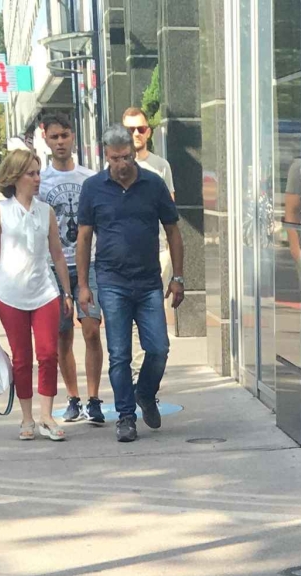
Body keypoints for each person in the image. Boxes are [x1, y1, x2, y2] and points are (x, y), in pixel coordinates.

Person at [76, 125, 184, 444]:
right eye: (114, 159)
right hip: (111, 282)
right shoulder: (93, 188)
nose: (121, 164)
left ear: (134, 153)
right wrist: (83, 285)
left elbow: (173, 230)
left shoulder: (153, 183)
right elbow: (84, 238)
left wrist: (178, 277)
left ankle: (145, 393)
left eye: (126, 157)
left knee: (159, 348)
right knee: (119, 354)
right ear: (105, 156)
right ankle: (126, 416)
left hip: (148, 281)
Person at [0, 148, 76, 442]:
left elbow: (57, 254)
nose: (37, 179)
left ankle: (46, 416)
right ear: (15, 177)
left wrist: (66, 292)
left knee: (48, 354)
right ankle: (27, 417)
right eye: (31, 174)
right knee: (22, 359)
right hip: (10, 296)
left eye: (38, 173)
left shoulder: (46, 212)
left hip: (45, 292)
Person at [38, 110, 105, 426]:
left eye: (65, 135)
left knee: (91, 329)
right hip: (55, 267)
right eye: (54, 137)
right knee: (62, 336)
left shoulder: (89, 178)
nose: (60, 142)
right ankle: (74, 398)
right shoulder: (41, 182)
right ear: (46, 139)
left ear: (73, 137)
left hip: (88, 263)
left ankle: (94, 399)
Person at [122, 106, 178, 341]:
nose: (136, 133)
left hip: (159, 251)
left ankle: (151, 356)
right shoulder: (115, 167)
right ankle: (139, 361)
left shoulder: (161, 166)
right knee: (133, 317)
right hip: (126, 256)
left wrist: (177, 270)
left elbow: (170, 214)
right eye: (130, 129)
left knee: (154, 312)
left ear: (149, 132)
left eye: (141, 128)